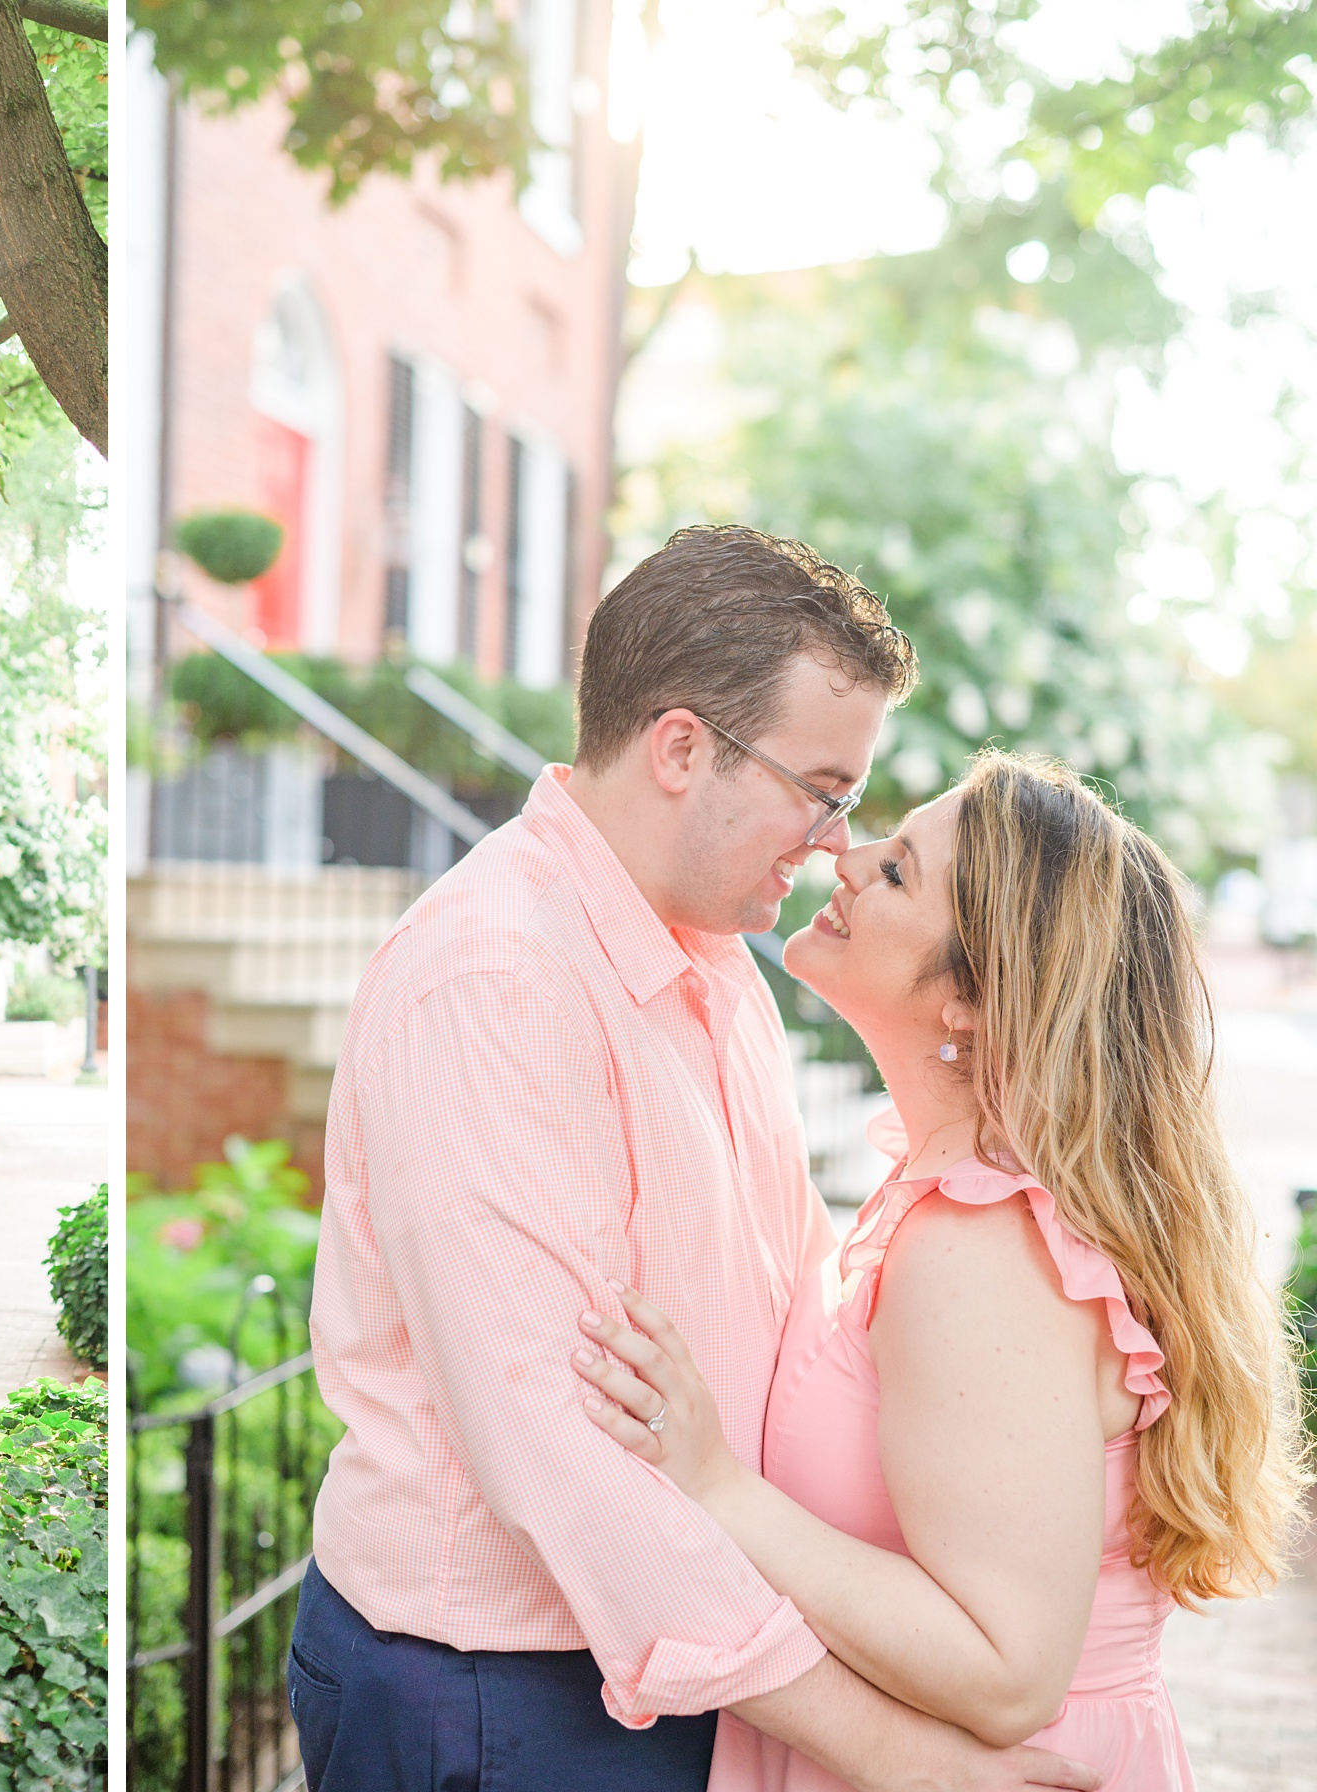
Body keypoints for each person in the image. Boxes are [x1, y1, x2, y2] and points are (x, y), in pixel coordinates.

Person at [289, 524, 1102, 1792]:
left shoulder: (719, 970)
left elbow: (789, 1314)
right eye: (821, 789)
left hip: (707, 1670)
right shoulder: (496, 980)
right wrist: (903, 1754)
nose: (837, 840)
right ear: (681, 748)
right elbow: (562, 1464)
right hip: (503, 1693)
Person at [571, 752, 1310, 1790]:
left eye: (899, 873)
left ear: (971, 996)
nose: (845, 854)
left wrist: (718, 1486)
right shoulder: (943, 1198)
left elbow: (1009, 1673)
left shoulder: (978, 1251)